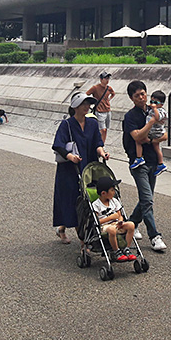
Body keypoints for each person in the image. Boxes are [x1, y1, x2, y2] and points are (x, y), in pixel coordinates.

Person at [52, 92, 109, 244]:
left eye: (88, 104)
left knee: (87, 200)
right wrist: (70, 156)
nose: (87, 107)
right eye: (84, 103)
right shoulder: (67, 124)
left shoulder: (92, 123)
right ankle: (82, 240)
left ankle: (68, 229)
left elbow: (97, 142)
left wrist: (102, 152)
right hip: (70, 170)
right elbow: (58, 145)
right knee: (72, 201)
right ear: (75, 106)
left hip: (88, 167)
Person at [122, 80, 167, 252]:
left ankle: (130, 225)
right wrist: (150, 124)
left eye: (143, 94)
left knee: (145, 199)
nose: (141, 98)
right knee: (147, 199)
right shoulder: (130, 117)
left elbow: (164, 135)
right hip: (138, 163)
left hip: (153, 161)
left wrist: (151, 139)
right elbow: (137, 138)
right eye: (137, 96)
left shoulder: (153, 109)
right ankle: (155, 236)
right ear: (131, 98)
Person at [91, 176, 137, 262]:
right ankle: (117, 251)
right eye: (112, 190)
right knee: (112, 229)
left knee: (131, 225)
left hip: (116, 224)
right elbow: (97, 221)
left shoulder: (114, 201)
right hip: (104, 226)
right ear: (104, 193)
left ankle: (127, 248)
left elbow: (119, 215)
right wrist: (110, 218)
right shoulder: (96, 205)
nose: (114, 192)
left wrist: (120, 221)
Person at [131, 90, 167, 176]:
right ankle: (160, 164)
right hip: (154, 131)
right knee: (156, 148)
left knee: (139, 140)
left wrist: (154, 109)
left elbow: (157, 118)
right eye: (151, 101)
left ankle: (139, 158)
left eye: (155, 102)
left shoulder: (161, 111)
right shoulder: (150, 110)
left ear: (161, 104)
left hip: (155, 131)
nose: (152, 104)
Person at [87, 71, 115, 143]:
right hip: (99, 111)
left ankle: (102, 144)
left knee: (105, 130)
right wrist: (90, 103)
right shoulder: (95, 88)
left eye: (108, 78)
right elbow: (87, 94)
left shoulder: (109, 88)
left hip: (107, 111)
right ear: (101, 79)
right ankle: (99, 144)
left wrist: (109, 99)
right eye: (105, 78)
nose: (107, 80)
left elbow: (113, 93)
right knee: (103, 129)